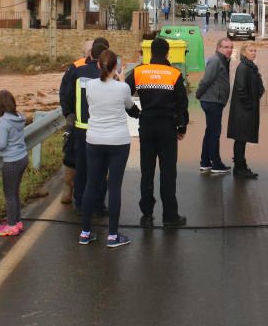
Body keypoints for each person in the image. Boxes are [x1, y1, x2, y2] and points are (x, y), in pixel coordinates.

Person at [78, 50, 140, 248]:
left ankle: (85, 233)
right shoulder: (122, 88)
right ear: (116, 67)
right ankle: (112, 236)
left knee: (91, 184)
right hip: (118, 142)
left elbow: (92, 105)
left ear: (98, 66)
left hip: (94, 140)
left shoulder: (89, 86)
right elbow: (131, 109)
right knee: (114, 187)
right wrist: (120, 81)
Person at [126, 38, 189, 228]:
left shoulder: (139, 71)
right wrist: (182, 126)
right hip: (167, 127)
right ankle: (170, 215)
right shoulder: (174, 74)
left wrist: (135, 113)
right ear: (168, 53)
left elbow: (121, 93)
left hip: (146, 125)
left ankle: (147, 214)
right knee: (168, 172)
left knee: (147, 171)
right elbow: (182, 103)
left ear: (151, 53)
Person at [65, 39, 110, 214]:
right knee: (100, 168)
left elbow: (68, 96)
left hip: (81, 128)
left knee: (82, 167)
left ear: (90, 55)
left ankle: (80, 203)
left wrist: (69, 115)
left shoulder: (78, 71)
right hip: (102, 129)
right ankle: (98, 205)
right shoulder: (108, 74)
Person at [0, 90, 29, 236]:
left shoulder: (3, 121)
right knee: (14, 192)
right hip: (23, 158)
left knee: (9, 194)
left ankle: (11, 226)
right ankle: (17, 221)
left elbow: (2, 144)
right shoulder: (19, 117)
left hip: (12, 162)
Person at [57, 40, 94, 204]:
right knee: (73, 156)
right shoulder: (76, 67)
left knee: (74, 155)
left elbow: (65, 93)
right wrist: (69, 114)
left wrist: (69, 114)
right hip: (83, 121)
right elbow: (65, 93)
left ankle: (72, 191)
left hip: (81, 121)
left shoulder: (75, 67)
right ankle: (70, 189)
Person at [196, 37, 234, 174]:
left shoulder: (223, 60)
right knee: (214, 133)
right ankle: (215, 163)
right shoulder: (216, 60)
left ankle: (205, 162)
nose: (229, 50)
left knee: (210, 132)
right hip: (212, 101)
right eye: (226, 47)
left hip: (215, 101)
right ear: (218, 48)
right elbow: (206, 80)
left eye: (231, 47)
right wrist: (198, 94)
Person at [227, 42, 264, 178]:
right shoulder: (243, 67)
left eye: (255, 51)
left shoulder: (252, 67)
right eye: (251, 50)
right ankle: (239, 167)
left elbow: (258, 87)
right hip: (242, 111)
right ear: (243, 52)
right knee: (240, 138)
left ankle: (240, 165)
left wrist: (258, 95)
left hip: (247, 109)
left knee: (242, 138)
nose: (253, 53)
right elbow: (240, 88)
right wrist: (248, 104)